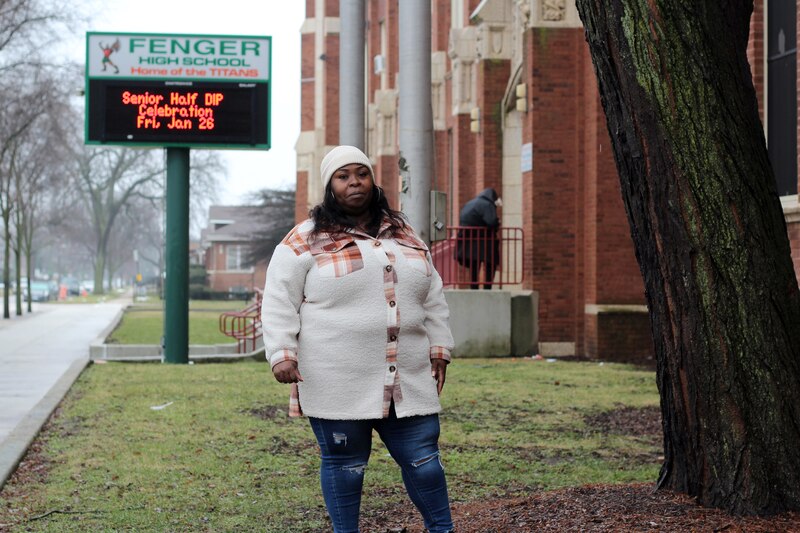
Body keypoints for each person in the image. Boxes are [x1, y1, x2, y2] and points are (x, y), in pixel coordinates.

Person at [261, 145, 455, 533]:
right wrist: (282, 353)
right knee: (345, 466)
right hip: (337, 377)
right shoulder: (305, 239)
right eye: (343, 176)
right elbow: (279, 298)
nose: (355, 183)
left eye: (361, 174)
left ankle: (443, 529)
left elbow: (432, 294)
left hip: (407, 374)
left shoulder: (405, 234)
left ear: (372, 179)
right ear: (330, 186)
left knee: (425, 461)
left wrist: (439, 347)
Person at [456, 188, 501, 289]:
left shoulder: (470, 203)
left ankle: (474, 287)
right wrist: (497, 222)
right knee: (490, 264)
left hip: (468, 241)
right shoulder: (487, 204)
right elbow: (491, 222)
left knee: (474, 266)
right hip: (485, 242)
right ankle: (487, 287)